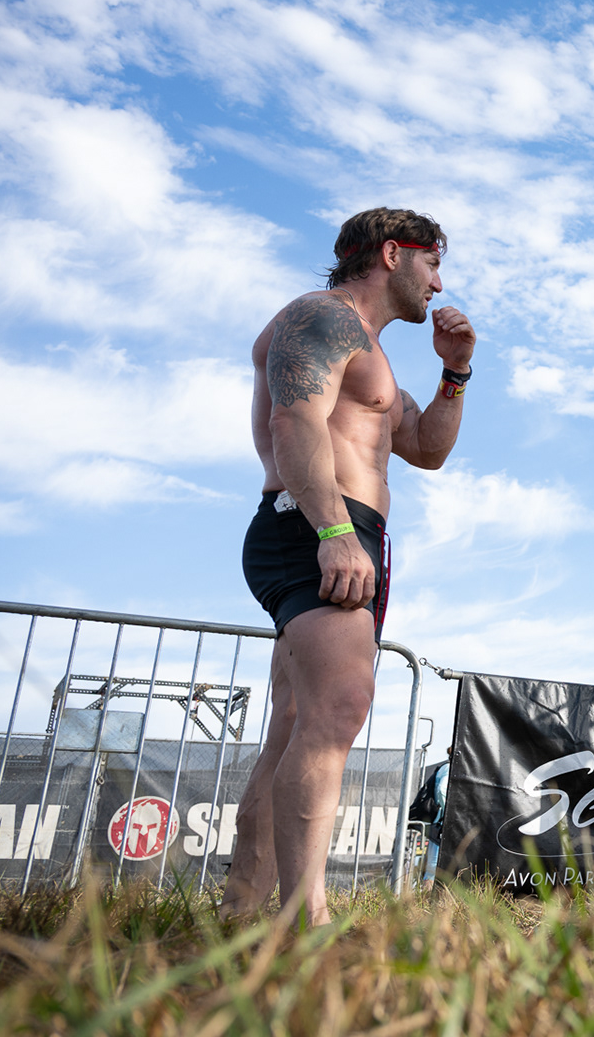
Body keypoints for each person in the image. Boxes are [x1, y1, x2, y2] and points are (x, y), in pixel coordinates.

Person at [223, 208, 475, 925]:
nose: (438, 283)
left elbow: (425, 448)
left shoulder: (370, 351)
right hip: (314, 523)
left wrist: (456, 371)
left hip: (340, 530)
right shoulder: (323, 317)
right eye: (433, 263)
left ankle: (240, 917)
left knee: (297, 722)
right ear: (393, 254)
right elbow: (294, 420)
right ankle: (307, 923)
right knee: (338, 709)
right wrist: (334, 531)